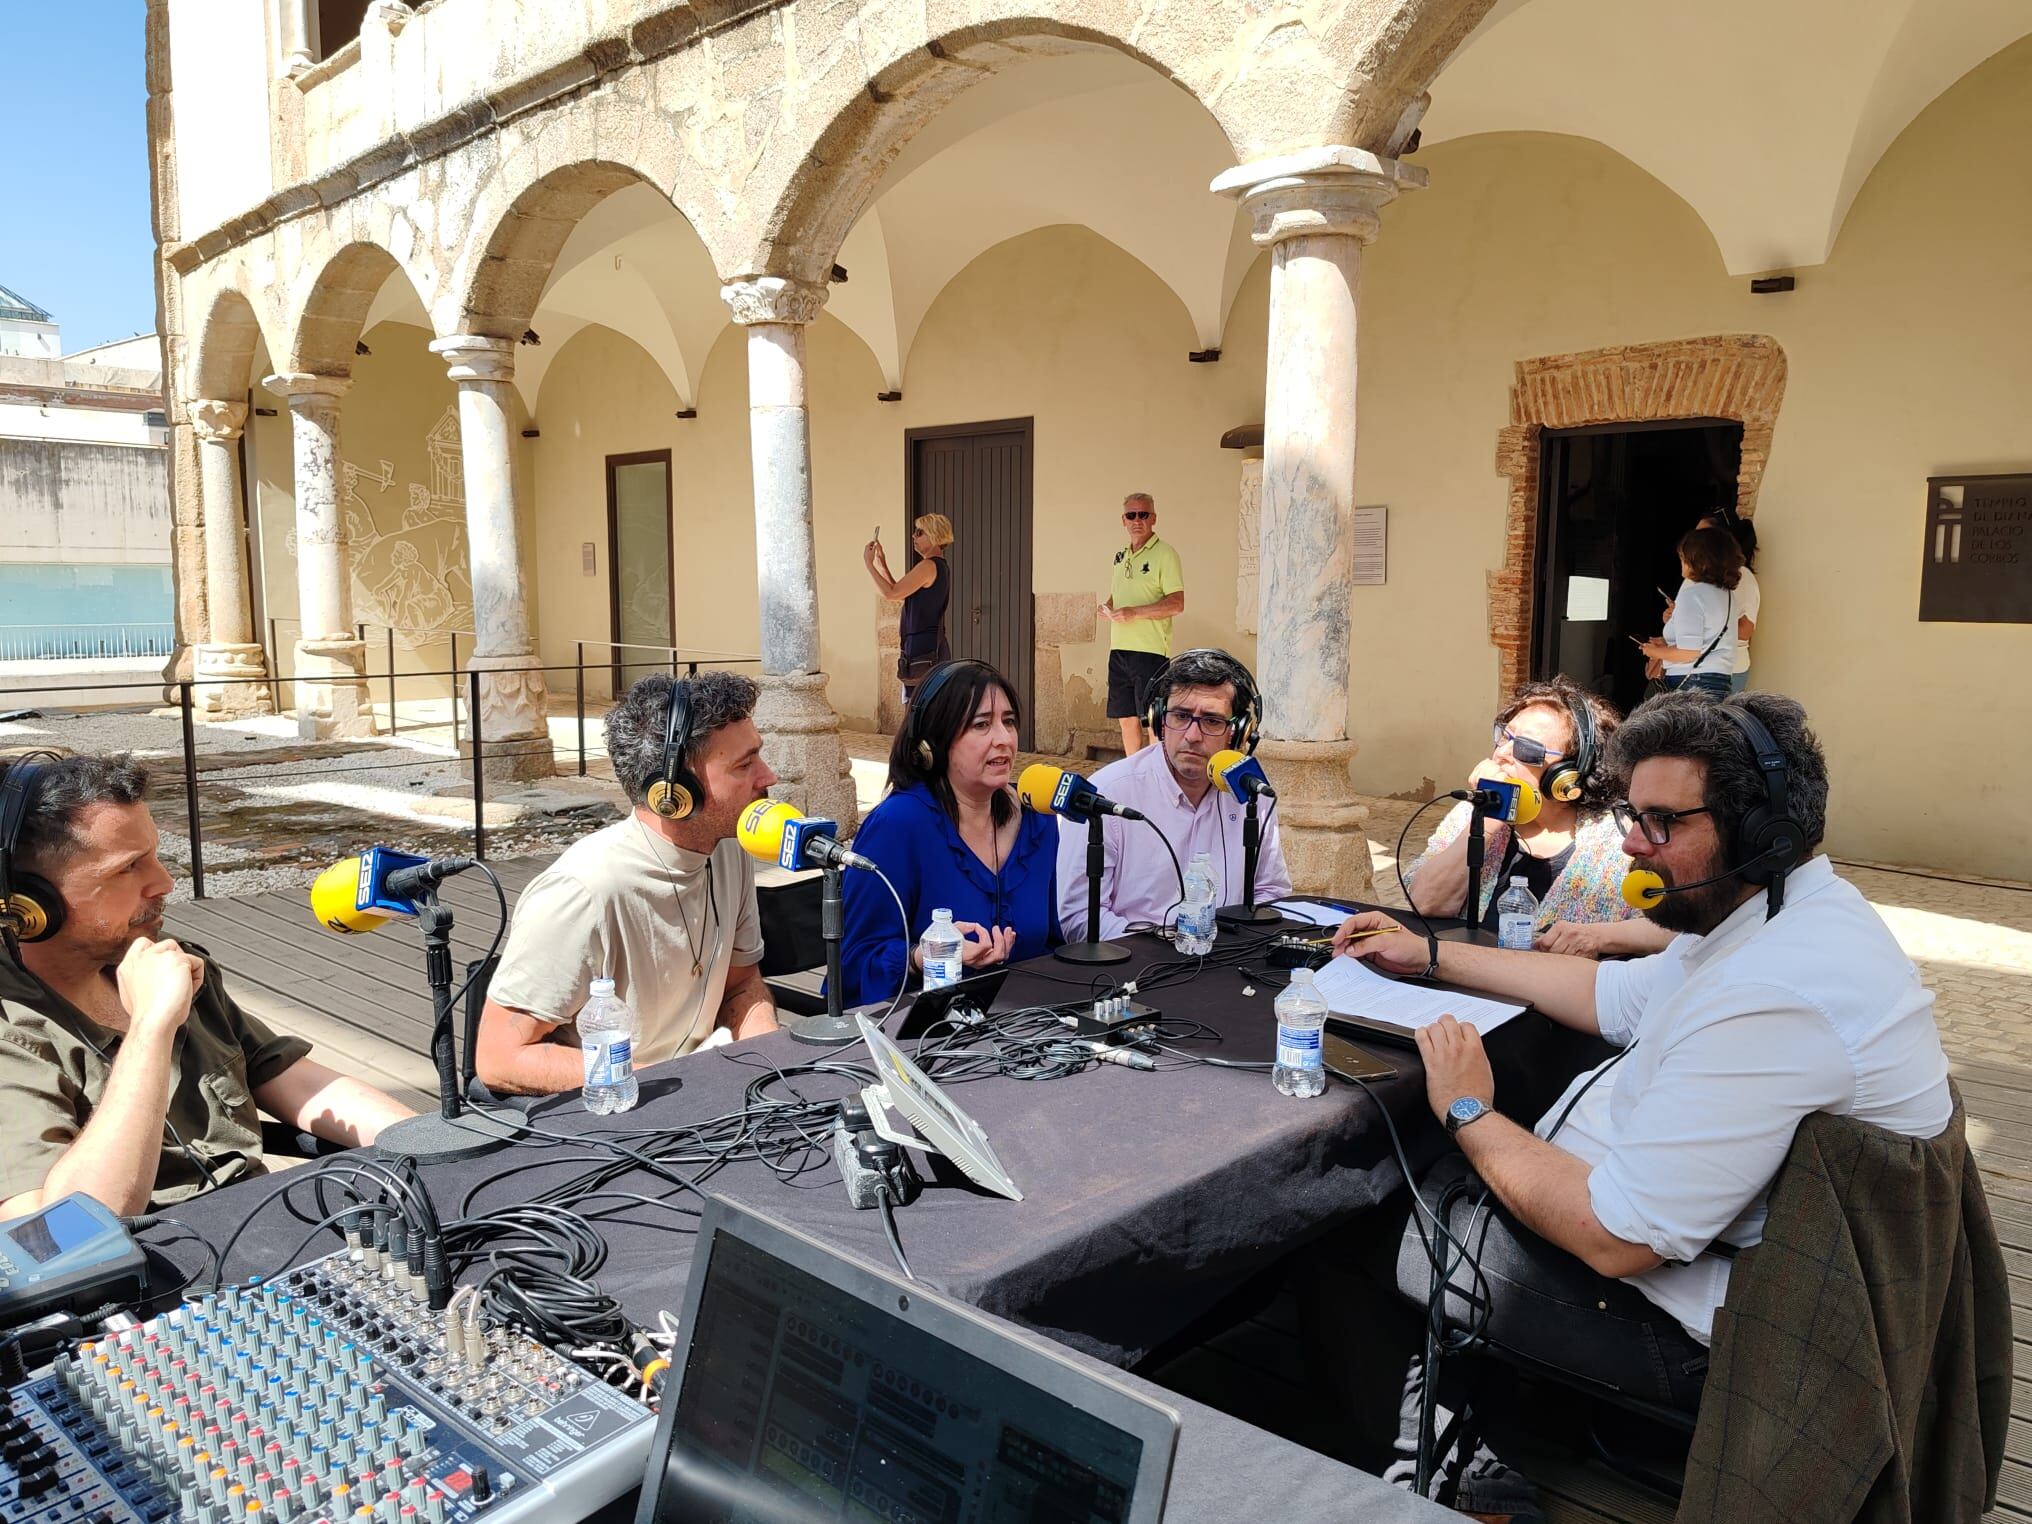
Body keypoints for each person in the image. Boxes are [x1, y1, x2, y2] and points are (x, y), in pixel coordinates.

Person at [1314, 692, 1952, 1500]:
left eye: (1661, 823)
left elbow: (1619, 1238)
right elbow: (1608, 995)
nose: (1635, 848)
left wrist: (1471, 1110)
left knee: (1351, 1220)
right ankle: (1502, 1417)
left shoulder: (1780, 987)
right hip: (1695, 1257)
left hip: (1700, 1329)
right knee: (1428, 1172)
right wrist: (1429, 955)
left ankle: (1465, 1484)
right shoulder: (1776, 913)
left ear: (1761, 832)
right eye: (1631, 819)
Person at [0, 753, 413, 1217]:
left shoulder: (165, 959)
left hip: (259, 1237)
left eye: (155, 856)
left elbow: (283, 1075)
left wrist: (429, 1140)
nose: (164, 882)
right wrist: (151, 1030)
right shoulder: (12, 1036)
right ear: (27, 906)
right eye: (127, 868)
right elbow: (64, 1233)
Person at [475, 672, 779, 1094]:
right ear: (673, 793)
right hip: (616, 1114)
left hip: (700, 1094)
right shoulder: (582, 891)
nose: (769, 777)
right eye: (744, 765)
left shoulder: (730, 847)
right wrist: (660, 1085)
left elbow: (740, 983)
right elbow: (500, 1057)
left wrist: (772, 1066)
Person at [838, 661, 1059, 1007]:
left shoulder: (1038, 820)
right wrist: (920, 957)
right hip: (920, 1038)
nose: (1003, 739)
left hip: (1027, 1030)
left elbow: (1049, 945)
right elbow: (851, 966)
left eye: (1009, 722)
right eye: (982, 724)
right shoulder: (898, 825)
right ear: (933, 744)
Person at [1403, 677, 1669, 960]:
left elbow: (1673, 929)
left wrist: (1599, 937)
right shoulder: (1474, 813)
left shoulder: (1619, 839)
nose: (1502, 754)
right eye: (1504, 737)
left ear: (1567, 773)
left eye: (1526, 749)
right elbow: (1425, 903)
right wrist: (1490, 819)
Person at [1054, 647, 1290, 939]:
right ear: (1158, 719)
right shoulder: (1107, 794)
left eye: (1212, 721)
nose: (1192, 736)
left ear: (1239, 732)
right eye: (1180, 716)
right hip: (1133, 969)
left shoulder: (1252, 794)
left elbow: (1271, 892)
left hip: (1228, 963)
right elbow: (1078, 917)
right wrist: (1161, 947)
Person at [1101, 493, 1185, 755]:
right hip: (1119, 649)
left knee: (1152, 721)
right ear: (1123, 520)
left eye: (1143, 514)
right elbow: (1119, 595)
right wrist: (1109, 607)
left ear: (1154, 518)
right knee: (1125, 719)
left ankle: (1155, 777)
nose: (1137, 520)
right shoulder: (1120, 557)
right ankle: (1133, 775)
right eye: (1131, 515)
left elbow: (1176, 603)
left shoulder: (1166, 554)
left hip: (1150, 652)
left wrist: (1133, 613)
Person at [1638, 526, 1741, 696]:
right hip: (1719, 682)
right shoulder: (1727, 595)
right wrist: (1666, 644)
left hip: (1691, 682)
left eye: (1682, 557)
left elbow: (1688, 653)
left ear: (1696, 560)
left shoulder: (1692, 594)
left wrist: (1653, 651)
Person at [865, 513, 952, 705]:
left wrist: (869, 565)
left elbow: (891, 593)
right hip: (927, 646)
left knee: (918, 711)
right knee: (925, 708)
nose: (914, 536)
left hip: (923, 648)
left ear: (935, 535)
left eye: (919, 532)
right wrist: (882, 565)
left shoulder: (928, 566)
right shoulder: (939, 566)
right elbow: (901, 593)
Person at [1698, 507, 1760, 693]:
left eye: (1701, 536)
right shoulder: (1707, 577)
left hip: (1726, 673)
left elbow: (1744, 630)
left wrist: (1698, 623)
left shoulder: (1741, 577)